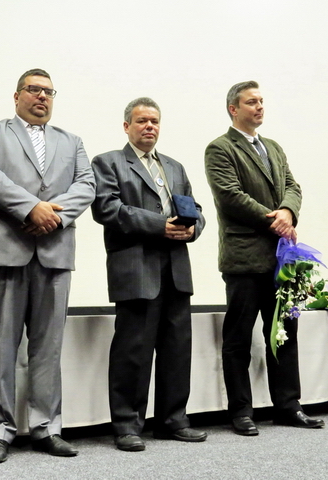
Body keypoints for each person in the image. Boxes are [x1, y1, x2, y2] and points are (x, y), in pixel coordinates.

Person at [0, 68, 95, 463]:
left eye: (49, 92)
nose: (42, 97)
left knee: (48, 348)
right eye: (34, 90)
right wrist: (31, 208)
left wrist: (53, 216)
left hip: (54, 252)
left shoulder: (71, 141)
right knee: (1, 348)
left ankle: (46, 428)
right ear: (17, 95)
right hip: (4, 250)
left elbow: (86, 185)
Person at [204, 81, 324, 437]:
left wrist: (288, 210)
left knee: (284, 333)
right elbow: (230, 196)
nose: (259, 107)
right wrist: (277, 220)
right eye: (251, 102)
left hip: (281, 260)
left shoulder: (273, 147)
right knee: (239, 339)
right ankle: (241, 411)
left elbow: (293, 186)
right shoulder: (220, 148)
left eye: (261, 101)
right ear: (233, 109)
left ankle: (288, 405)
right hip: (244, 259)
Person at [91, 97, 207, 452]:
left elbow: (195, 208)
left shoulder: (174, 167)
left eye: (154, 121)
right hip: (136, 269)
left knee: (177, 349)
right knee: (133, 351)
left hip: (176, 270)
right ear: (127, 126)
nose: (149, 127)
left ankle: (173, 419)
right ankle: (127, 424)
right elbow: (107, 208)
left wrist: (194, 227)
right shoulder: (109, 162)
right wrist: (160, 225)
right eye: (142, 121)